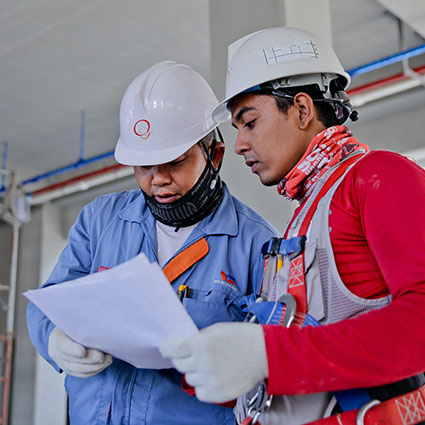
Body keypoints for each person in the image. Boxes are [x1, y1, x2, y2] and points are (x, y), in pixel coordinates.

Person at [160, 28, 425, 425]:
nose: (239, 146)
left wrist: (267, 355)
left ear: (302, 109)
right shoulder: (303, 219)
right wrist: (219, 365)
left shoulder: (378, 177)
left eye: (249, 123)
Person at [26, 60, 278, 425]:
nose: (157, 179)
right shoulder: (100, 221)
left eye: (174, 162)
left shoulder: (257, 245)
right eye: (144, 165)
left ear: (215, 155)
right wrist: (54, 339)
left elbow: (274, 363)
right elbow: (48, 301)